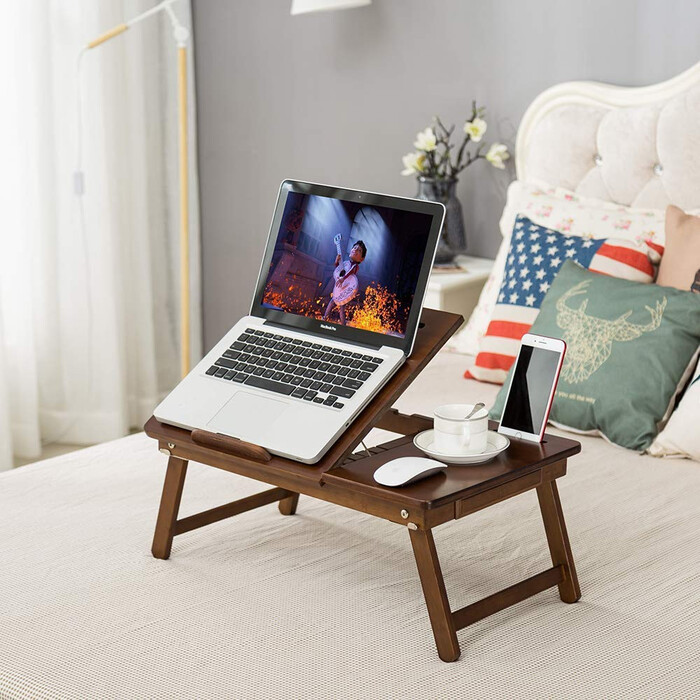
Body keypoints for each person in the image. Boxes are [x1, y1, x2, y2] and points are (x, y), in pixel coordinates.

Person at [323, 240, 367, 325]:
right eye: (355, 248)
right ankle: (325, 317)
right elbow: (338, 269)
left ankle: (343, 324)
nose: (355, 250)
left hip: (346, 289)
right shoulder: (346, 263)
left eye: (359, 250)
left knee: (342, 308)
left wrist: (344, 278)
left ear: (362, 258)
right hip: (339, 288)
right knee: (332, 301)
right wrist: (337, 261)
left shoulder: (355, 266)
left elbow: (350, 272)